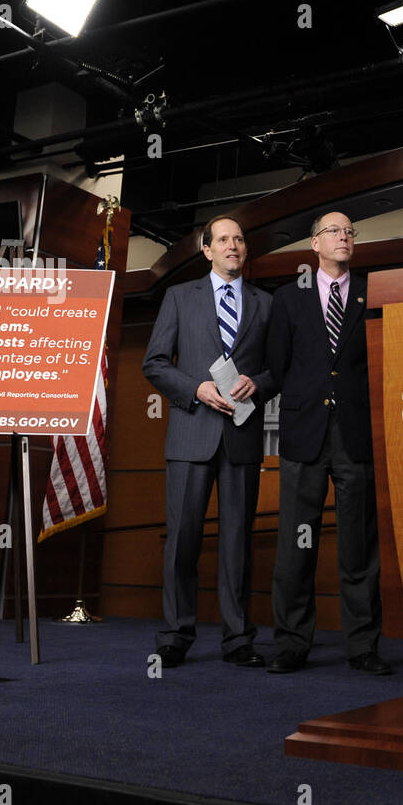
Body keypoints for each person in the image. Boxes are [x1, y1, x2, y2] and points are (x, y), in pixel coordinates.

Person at [263, 211, 391, 675]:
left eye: (350, 231)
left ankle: (363, 647)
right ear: (314, 244)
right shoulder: (288, 298)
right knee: (296, 548)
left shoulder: (372, 293)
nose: (344, 236)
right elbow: (278, 367)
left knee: (359, 548)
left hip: (357, 435)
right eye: (335, 231)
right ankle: (293, 644)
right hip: (304, 436)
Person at [142, 214, 272, 669]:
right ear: (207, 249)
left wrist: (259, 382)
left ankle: (238, 639)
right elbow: (155, 363)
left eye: (239, 238)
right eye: (223, 239)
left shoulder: (265, 303)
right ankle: (176, 634)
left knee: (238, 542)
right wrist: (195, 388)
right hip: (190, 434)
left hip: (242, 439)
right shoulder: (180, 297)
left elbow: (278, 368)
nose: (233, 245)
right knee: (181, 541)